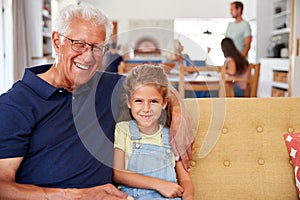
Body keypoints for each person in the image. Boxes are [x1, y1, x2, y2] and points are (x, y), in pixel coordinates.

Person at [0, 3, 193, 199]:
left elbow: (159, 88)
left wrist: (177, 116)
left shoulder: (109, 87)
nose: (88, 57)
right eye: (79, 44)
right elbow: (2, 186)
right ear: (57, 42)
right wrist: (79, 196)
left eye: (97, 48)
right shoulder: (16, 103)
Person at [113, 64, 194, 200]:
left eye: (153, 101)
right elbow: (118, 173)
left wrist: (188, 197)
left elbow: (186, 181)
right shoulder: (123, 129)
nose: (146, 108)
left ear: (164, 103)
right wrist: (160, 185)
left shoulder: (171, 135)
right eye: (139, 101)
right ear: (129, 102)